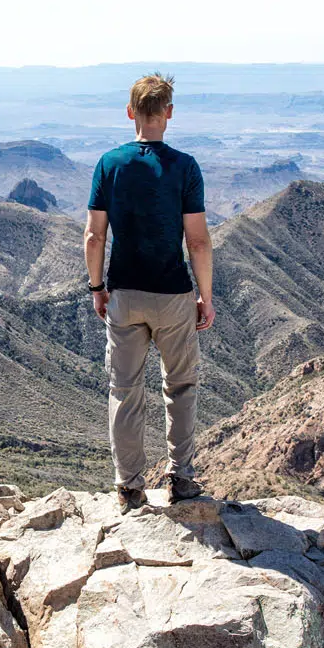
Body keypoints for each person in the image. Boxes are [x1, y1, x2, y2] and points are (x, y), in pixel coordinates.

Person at [84, 72, 214, 513]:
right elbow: (197, 240)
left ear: (130, 112)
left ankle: (130, 489)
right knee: (180, 387)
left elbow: (93, 236)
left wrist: (97, 287)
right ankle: (182, 479)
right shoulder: (185, 167)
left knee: (125, 390)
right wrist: (205, 296)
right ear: (169, 114)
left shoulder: (109, 164)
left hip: (124, 293)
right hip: (173, 294)